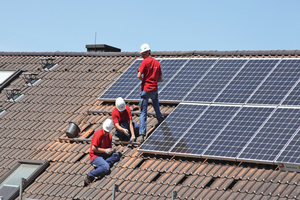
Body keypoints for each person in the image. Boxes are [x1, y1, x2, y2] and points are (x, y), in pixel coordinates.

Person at [137, 43, 164, 143]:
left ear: (147, 52)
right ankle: (160, 119)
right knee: (156, 104)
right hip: (154, 89)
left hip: (145, 89)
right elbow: (161, 79)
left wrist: (145, 79)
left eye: (143, 54)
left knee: (143, 112)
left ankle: (142, 134)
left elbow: (139, 75)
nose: (142, 56)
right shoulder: (157, 63)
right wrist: (153, 81)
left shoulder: (144, 62)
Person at [84, 118, 121, 186]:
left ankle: (102, 165)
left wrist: (110, 150)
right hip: (95, 157)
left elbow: (108, 148)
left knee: (116, 155)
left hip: (103, 155)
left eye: (107, 131)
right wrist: (105, 150)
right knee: (106, 168)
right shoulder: (98, 134)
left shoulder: (109, 136)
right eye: (104, 130)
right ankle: (90, 175)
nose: (105, 132)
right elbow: (94, 148)